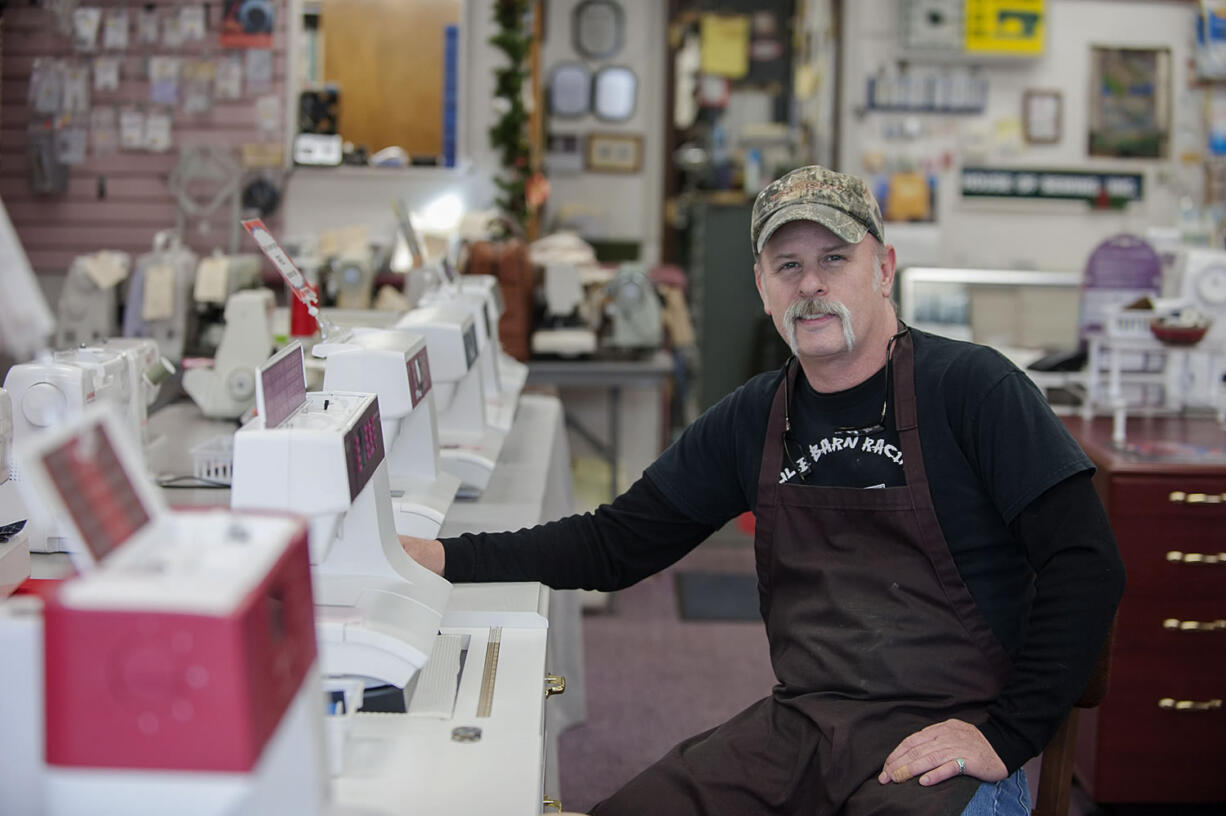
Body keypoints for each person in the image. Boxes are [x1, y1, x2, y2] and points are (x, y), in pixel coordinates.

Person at [402, 165, 1125, 816]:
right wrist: (438, 556)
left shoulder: (974, 390)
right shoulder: (756, 417)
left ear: (884, 268)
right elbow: (614, 544)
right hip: (802, 728)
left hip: (939, 744)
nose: (810, 284)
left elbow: (1086, 562)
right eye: (788, 265)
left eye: (834, 259)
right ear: (762, 286)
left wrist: (1006, 734)